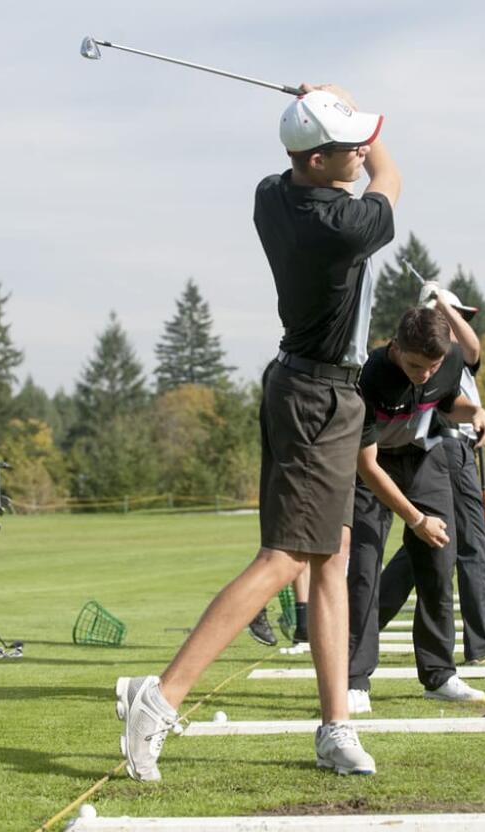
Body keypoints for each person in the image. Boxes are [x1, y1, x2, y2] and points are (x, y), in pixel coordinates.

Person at [115, 84, 400, 781]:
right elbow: (389, 177)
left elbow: (345, 161)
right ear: (314, 160)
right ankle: (159, 698)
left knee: (329, 559)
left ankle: (336, 726)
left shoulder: (272, 193)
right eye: (347, 145)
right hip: (317, 399)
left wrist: (330, 113)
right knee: (284, 560)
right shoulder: (338, 224)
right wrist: (348, 116)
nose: (361, 150)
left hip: (311, 387)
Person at [348, 306, 485, 713]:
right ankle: (354, 679)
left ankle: (439, 674)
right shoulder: (368, 378)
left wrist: (477, 413)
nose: (424, 373)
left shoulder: (444, 363)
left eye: (432, 366)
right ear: (396, 347)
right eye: (416, 365)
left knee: (438, 561)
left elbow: (448, 403)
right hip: (371, 466)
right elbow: (367, 465)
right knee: (364, 567)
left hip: (424, 454)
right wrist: (415, 519)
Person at [373, 284, 485, 668]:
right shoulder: (422, 351)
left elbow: (473, 349)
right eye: (457, 316)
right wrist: (440, 305)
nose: (462, 323)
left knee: (430, 545)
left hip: (448, 445)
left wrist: (446, 307)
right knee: (468, 544)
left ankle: (364, 620)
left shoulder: (452, 352)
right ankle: (481, 643)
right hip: (443, 446)